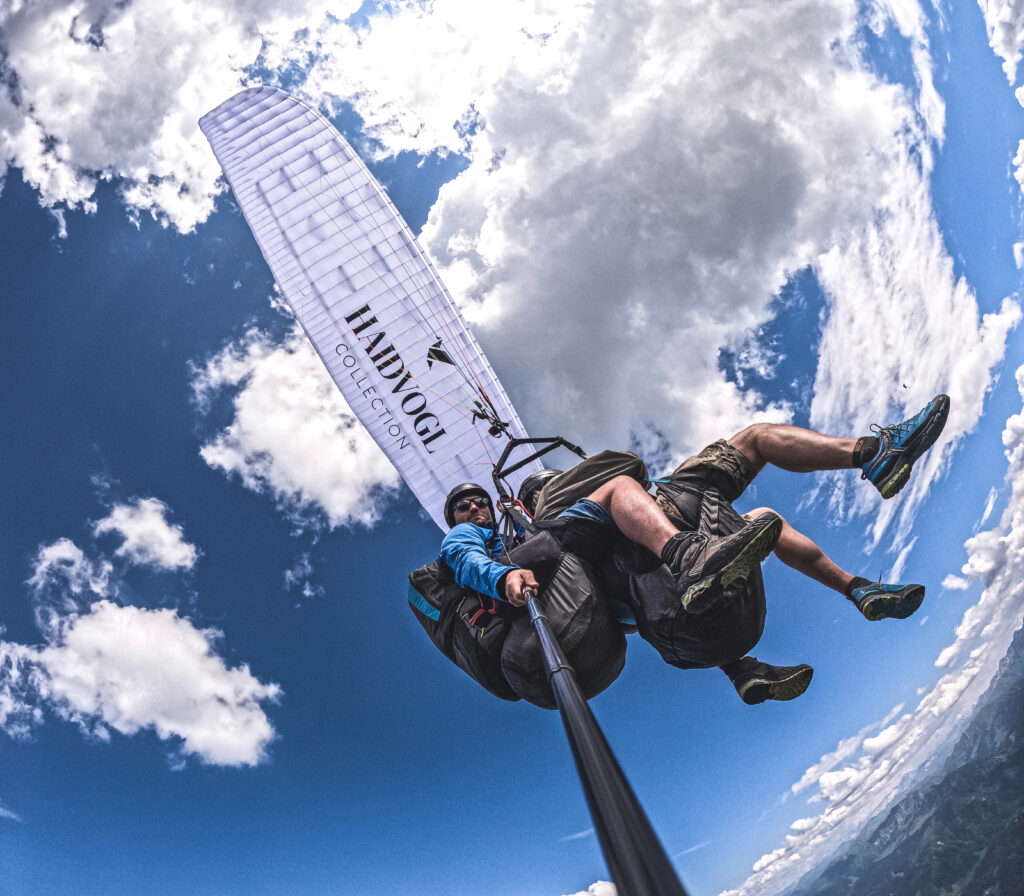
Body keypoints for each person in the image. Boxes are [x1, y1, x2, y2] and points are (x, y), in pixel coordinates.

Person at [523, 394, 950, 703]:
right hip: (711, 587)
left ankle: (744, 668)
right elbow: (618, 485)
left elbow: (632, 620)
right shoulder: (574, 518)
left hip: (700, 643)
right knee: (756, 439)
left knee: (760, 522)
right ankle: (876, 455)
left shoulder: (575, 577)